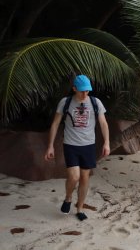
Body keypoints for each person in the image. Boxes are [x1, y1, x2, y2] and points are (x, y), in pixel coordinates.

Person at [44, 75, 110, 221]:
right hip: (71, 145)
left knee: (85, 178)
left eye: (87, 91)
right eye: (81, 91)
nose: (85, 94)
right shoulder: (65, 102)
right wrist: (50, 146)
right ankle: (68, 198)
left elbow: (103, 124)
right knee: (74, 176)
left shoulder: (95, 102)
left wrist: (107, 142)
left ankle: (79, 208)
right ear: (74, 89)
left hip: (88, 146)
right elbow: (55, 124)